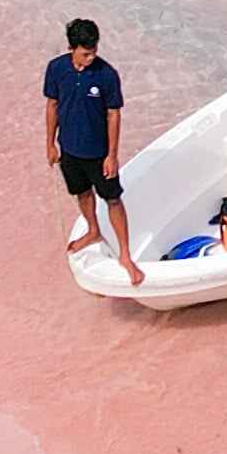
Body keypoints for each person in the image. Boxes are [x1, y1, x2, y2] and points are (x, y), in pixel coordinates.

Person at [44, 17, 138, 274]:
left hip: (99, 154)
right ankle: (93, 230)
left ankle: (126, 255)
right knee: (82, 193)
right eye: (86, 53)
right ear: (71, 48)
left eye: (94, 51)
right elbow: (52, 105)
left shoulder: (107, 75)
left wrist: (112, 155)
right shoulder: (56, 69)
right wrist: (50, 144)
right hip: (70, 150)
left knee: (113, 200)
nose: (91, 58)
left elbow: (113, 115)